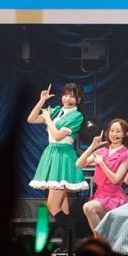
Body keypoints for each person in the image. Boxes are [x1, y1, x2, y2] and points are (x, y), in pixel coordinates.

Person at [27, 84, 89, 241]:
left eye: (72, 96)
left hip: (63, 157)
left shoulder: (77, 116)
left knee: (53, 205)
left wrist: (48, 119)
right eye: (66, 95)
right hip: (52, 154)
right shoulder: (57, 111)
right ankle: (68, 243)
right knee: (62, 207)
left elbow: (57, 135)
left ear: (78, 100)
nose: (67, 99)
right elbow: (31, 119)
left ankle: (71, 238)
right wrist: (42, 100)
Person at [75, 118, 128, 235]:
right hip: (100, 195)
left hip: (114, 198)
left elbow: (115, 179)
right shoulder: (102, 151)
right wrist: (92, 147)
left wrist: (102, 163)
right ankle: (102, 242)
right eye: (112, 130)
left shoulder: (126, 154)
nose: (114, 134)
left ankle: (102, 242)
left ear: (125, 134)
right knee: (95, 224)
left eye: (118, 131)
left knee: (88, 207)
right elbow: (79, 164)